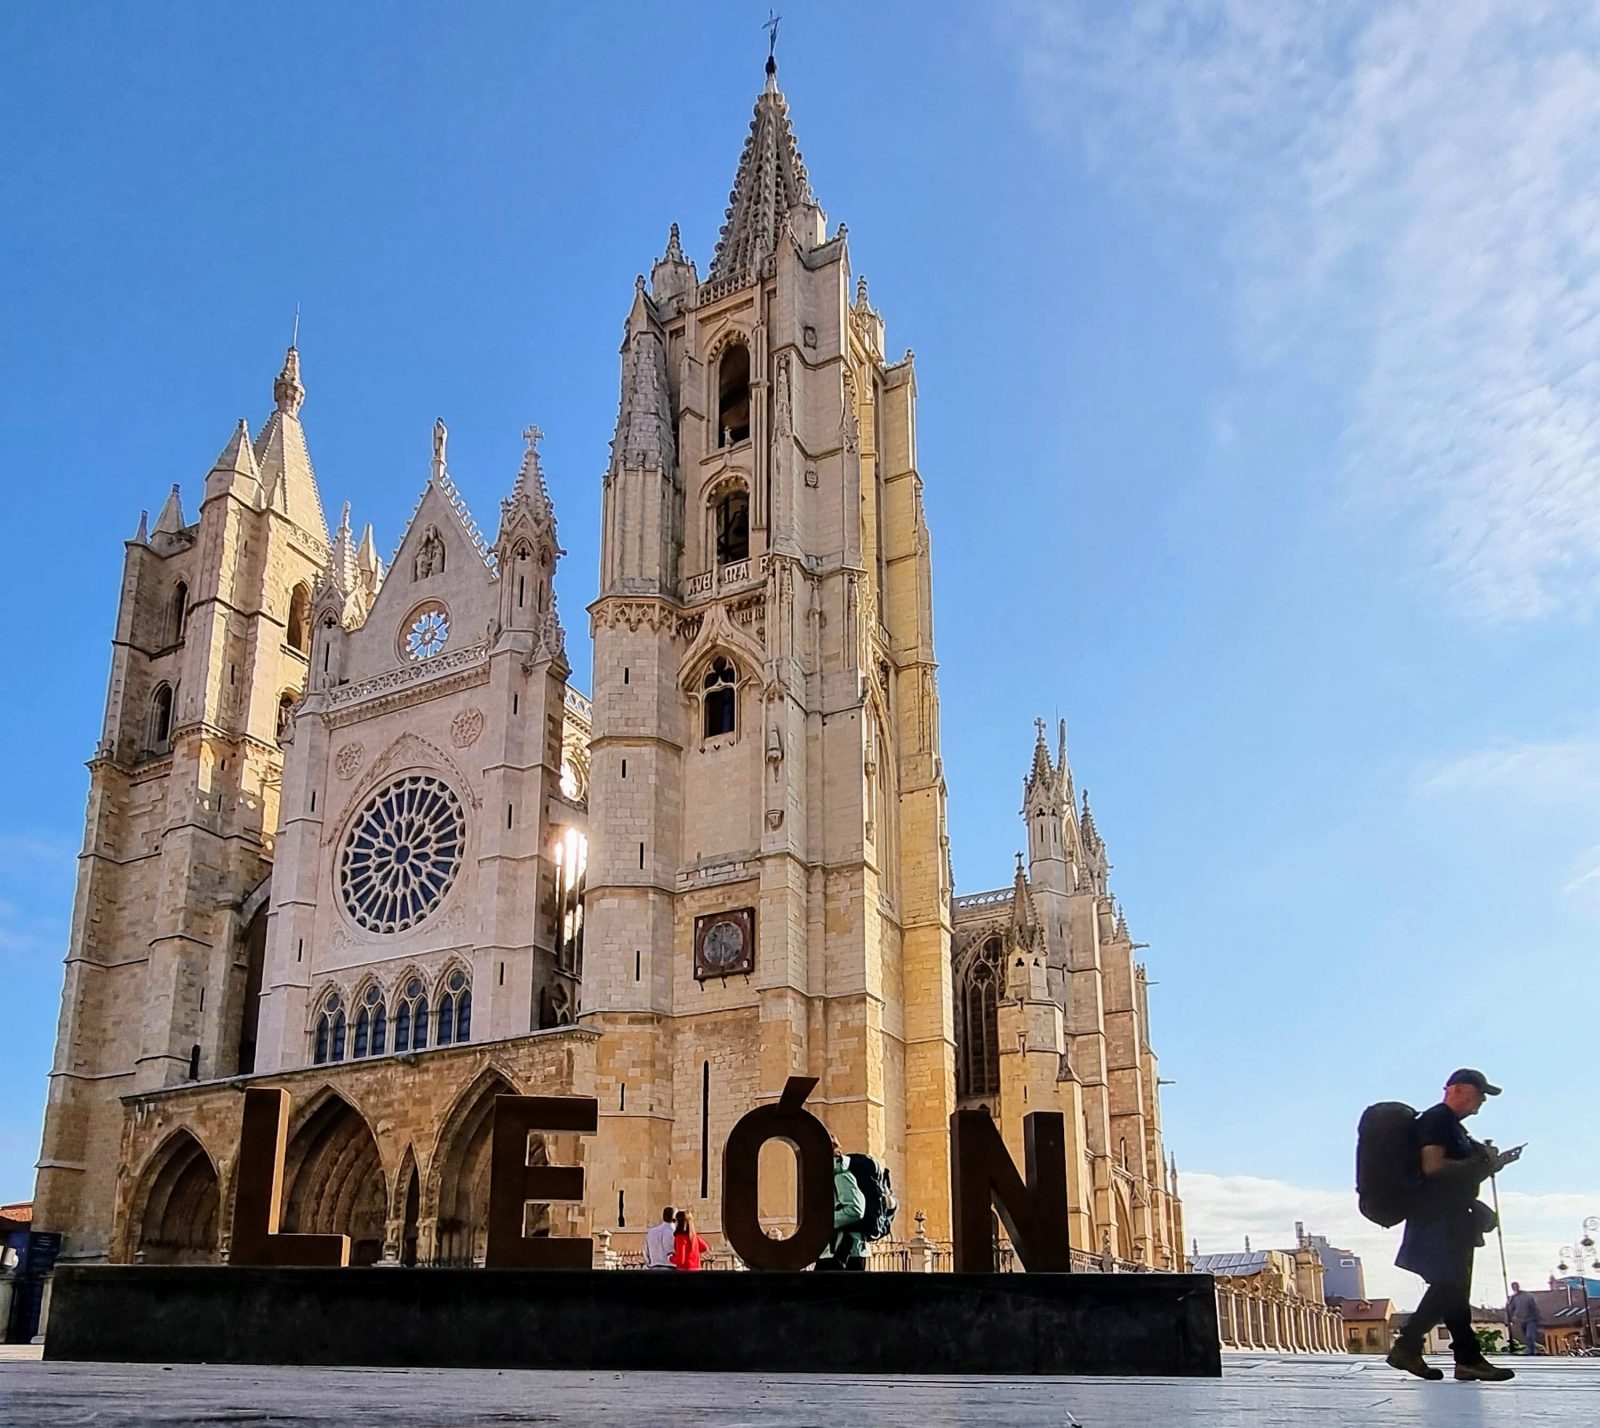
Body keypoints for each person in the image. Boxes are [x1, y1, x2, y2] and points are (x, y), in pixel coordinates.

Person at [1386, 1069, 1522, 1383]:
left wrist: (1494, 1163)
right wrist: (1480, 1162)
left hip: (1452, 1216)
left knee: (1454, 1289)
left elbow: (1461, 1171)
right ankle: (1408, 1346)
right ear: (1458, 1090)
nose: (1484, 1100)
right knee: (1449, 1286)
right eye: (1480, 1092)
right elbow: (1433, 1167)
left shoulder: (1453, 1127)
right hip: (1439, 1218)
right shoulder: (1437, 1121)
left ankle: (1466, 1359)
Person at [816, 1133, 869, 1271]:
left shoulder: (840, 1173)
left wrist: (825, 1222)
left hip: (845, 1251)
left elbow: (856, 1209)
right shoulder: (831, 1172)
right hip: (835, 1250)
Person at [1507, 1282, 1541, 1357]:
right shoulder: (1513, 1298)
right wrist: (1512, 1317)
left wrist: (1536, 1316)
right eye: (1513, 1287)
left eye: (1515, 1286)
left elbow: (1534, 1307)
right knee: (1527, 1336)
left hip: (1531, 1319)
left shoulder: (1527, 1296)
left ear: (1518, 1286)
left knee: (1529, 1335)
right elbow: (1511, 1309)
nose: (1514, 1288)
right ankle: (1531, 1348)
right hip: (1522, 1320)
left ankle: (1531, 1351)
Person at [643, 1205, 677, 1269]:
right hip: (670, 1268)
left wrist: (649, 1264)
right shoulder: (673, 1233)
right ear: (675, 1219)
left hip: (653, 1267)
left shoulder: (651, 1232)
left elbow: (645, 1251)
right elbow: (672, 1251)